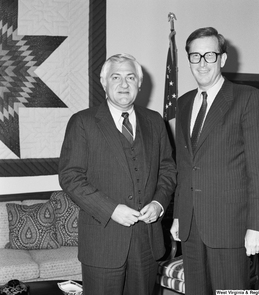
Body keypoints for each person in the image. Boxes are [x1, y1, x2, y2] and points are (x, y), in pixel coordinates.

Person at [59, 53, 176, 295]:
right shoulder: (83, 122)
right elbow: (70, 176)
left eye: (130, 77)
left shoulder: (155, 122)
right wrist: (111, 210)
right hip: (103, 242)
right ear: (104, 83)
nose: (124, 84)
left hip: (147, 241)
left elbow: (167, 169)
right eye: (116, 77)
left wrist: (159, 203)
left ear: (139, 84)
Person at [170, 27, 259, 294]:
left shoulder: (247, 98)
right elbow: (185, 166)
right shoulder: (183, 104)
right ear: (188, 59)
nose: (202, 63)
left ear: (223, 59)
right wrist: (179, 216)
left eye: (210, 55)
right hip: (191, 225)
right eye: (195, 56)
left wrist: (256, 227)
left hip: (231, 225)